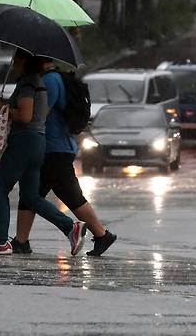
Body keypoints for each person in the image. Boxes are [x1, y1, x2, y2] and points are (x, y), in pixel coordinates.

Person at [0, 49, 87, 256]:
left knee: (0, 189)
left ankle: (0, 241)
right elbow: (7, 113)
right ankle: (70, 227)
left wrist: (3, 106)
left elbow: (25, 116)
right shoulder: (36, 81)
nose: (14, 61)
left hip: (24, 142)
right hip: (37, 143)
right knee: (30, 196)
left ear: (25, 61)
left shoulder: (28, 83)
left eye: (17, 58)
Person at [11, 59, 117, 257]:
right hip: (53, 147)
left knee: (65, 196)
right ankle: (21, 241)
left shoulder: (50, 81)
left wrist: (15, 111)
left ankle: (102, 235)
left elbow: (39, 115)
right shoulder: (52, 78)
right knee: (32, 194)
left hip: (54, 148)